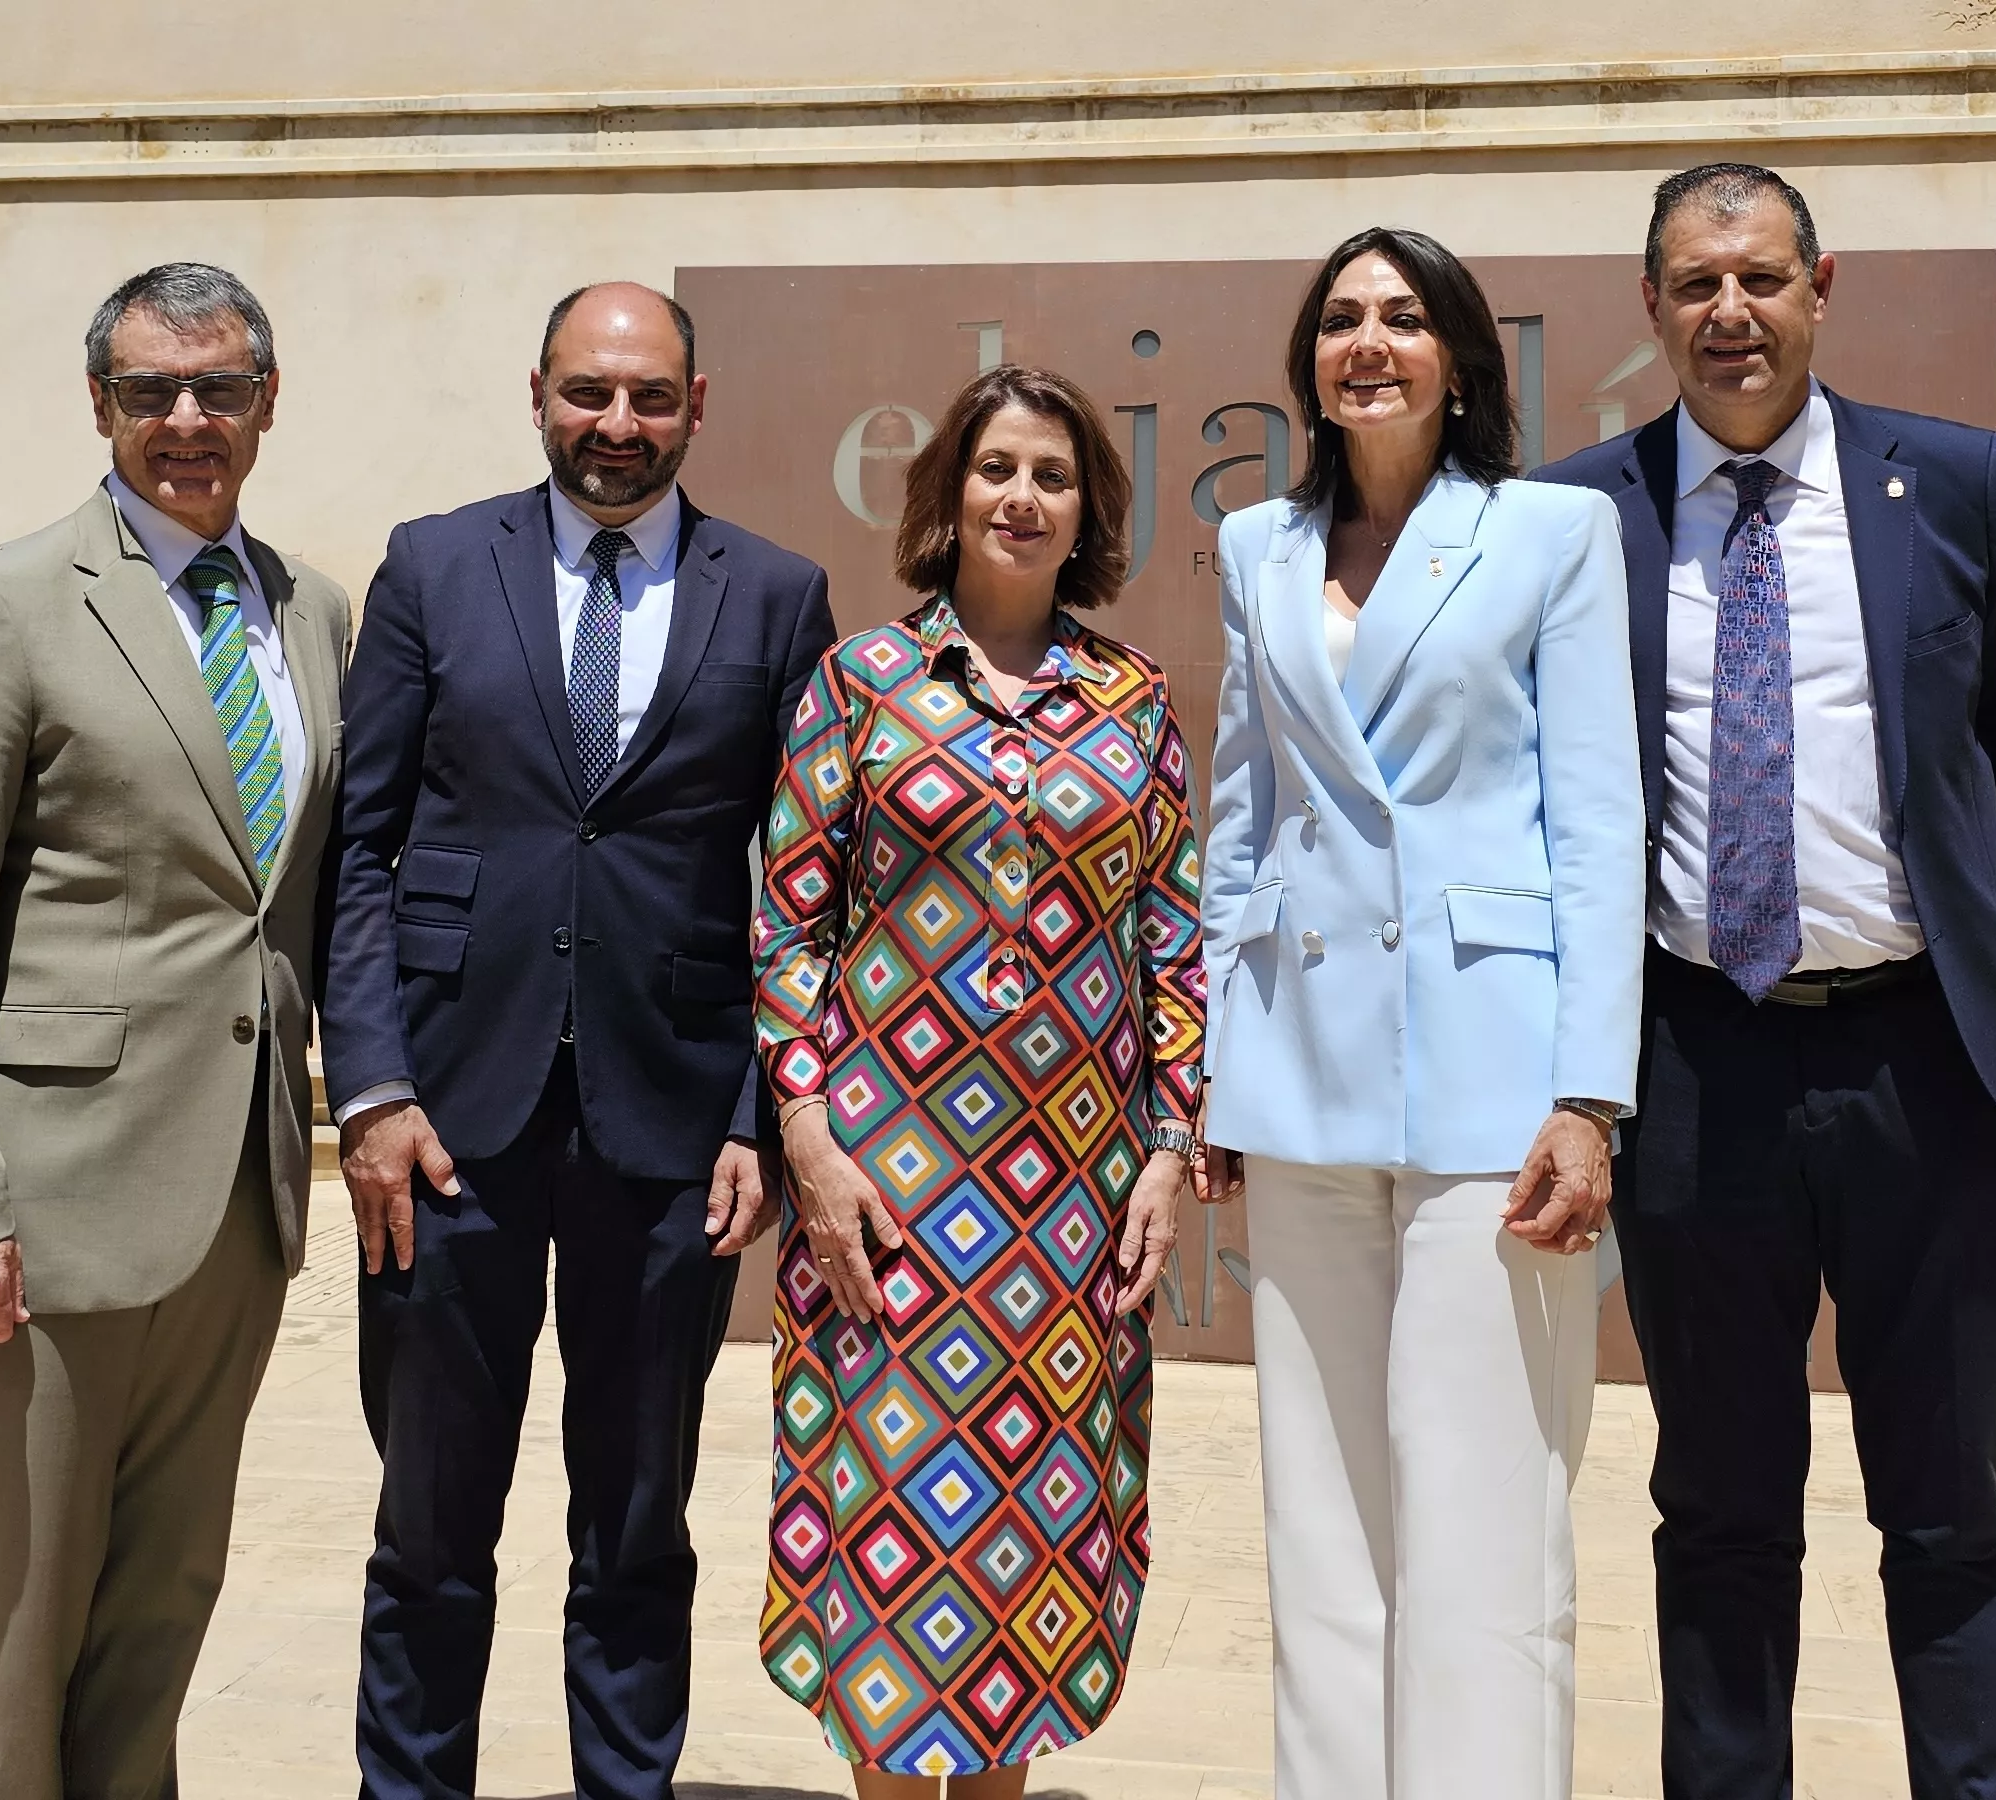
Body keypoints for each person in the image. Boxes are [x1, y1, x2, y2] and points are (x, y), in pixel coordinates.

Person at [1534, 163, 1996, 1800]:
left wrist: (1935, 905)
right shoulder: (1586, 514)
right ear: (1648, 305)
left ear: (1819, 286)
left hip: (1931, 1065)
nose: (1731, 314)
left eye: (1762, 280)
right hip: (1699, 1067)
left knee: (1951, 1506)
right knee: (1717, 1507)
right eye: (1696, 285)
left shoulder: (1960, 484)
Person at [322, 281, 837, 1800]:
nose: (617, 426)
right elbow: (364, 848)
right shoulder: (431, 566)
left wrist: (759, 1108)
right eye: (589, 393)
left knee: (632, 1525)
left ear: (698, 406)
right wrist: (370, 1091)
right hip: (442, 1123)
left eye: (651, 398)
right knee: (429, 1526)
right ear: (536, 392)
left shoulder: (779, 594)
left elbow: (809, 878)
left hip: (674, 1127)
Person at [0, 262, 349, 1797]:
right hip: (41, 1226)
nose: (186, 420)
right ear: (100, 407)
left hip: (236, 1221)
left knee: (153, 1636)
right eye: (151, 392)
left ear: (269, 403)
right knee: (4, 1667)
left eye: (219, 389)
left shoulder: (312, 611)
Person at [1200, 227, 1643, 1800]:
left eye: (1399, 316)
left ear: (1460, 355)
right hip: (1300, 1077)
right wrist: (1211, 1068)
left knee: (1483, 1517)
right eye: (1337, 320)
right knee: (1320, 1521)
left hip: (1493, 1085)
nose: (1365, 343)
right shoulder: (1259, 546)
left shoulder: (1549, 534)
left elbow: (1593, 826)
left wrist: (1591, 1098)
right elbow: (1239, 824)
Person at [753, 363, 1206, 1796]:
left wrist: (1171, 1145)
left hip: (1066, 1216)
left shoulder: (1135, 703)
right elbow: (786, 920)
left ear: (1089, 515)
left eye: (1053, 478)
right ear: (950, 495)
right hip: (884, 1201)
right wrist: (811, 1140)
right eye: (997, 469)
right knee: (895, 1550)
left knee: (1024, 1558)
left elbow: (1175, 937)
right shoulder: (863, 686)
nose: (1022, 497)